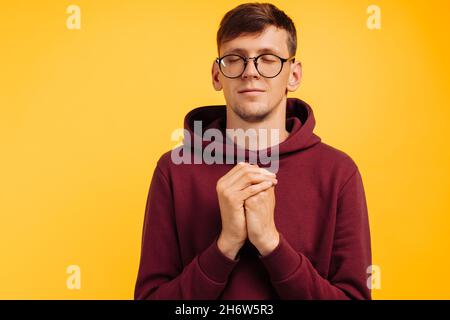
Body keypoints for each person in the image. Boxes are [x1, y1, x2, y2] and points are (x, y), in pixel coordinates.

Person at [134, 2, 372, 300]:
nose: (250, 72)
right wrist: (226, 245)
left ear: (294, 75)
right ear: (217, 75)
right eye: (235, 59)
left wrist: (271, 244)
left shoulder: (339, 172)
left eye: (268, 58)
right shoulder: (174, 169)